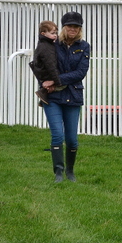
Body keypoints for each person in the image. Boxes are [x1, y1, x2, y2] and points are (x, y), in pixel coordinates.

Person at [41, 11, 90, 183]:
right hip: (52, 96)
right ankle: (58, 173)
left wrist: (57, 80)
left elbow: (81, 72)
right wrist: (47, 82)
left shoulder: (84, 46)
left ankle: (70, 171)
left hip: (73, 95)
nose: (73, 29)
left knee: (72, 139)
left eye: (76, 26)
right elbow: (41, 63)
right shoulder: (52, 45)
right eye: (69, 26)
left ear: (80, 28)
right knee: (57, 135)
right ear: (64, 27)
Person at [30, 20, 65, 105]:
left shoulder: (43, 43)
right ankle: (43, 93)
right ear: (43, 34)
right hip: (46, 73)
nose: (55, 36)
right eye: (52, 33)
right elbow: (51, 65)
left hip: (42, 71)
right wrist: (57, 81)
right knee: (64, 85)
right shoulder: (46, 47)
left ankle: (43, 95)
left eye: (56, 33)